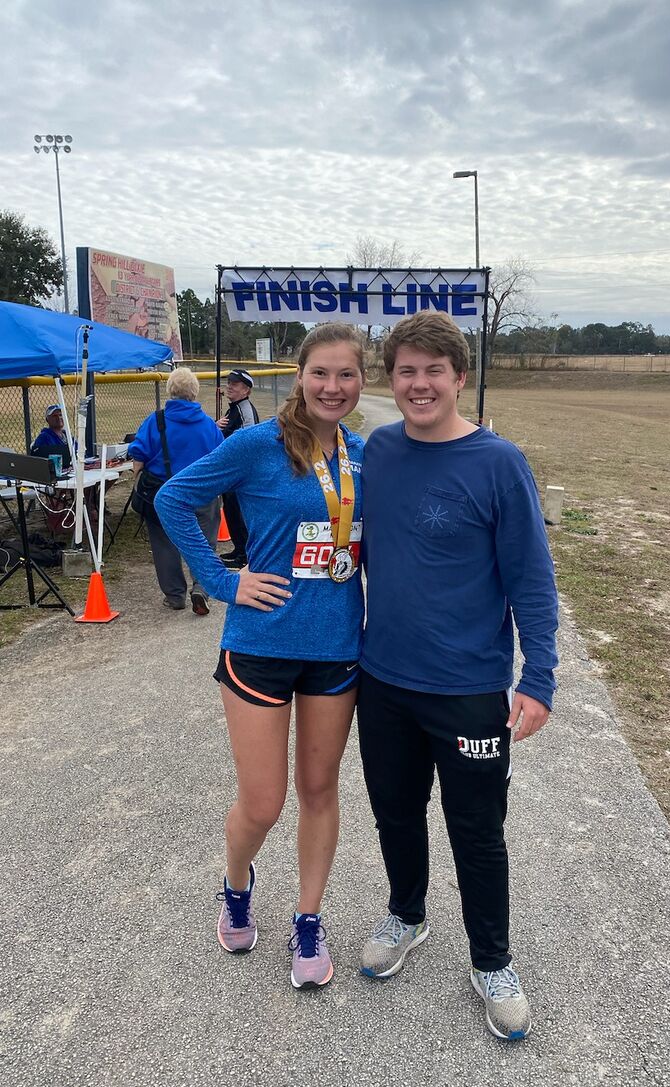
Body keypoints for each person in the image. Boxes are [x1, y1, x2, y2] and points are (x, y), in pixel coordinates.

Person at [357, 311, 559, 1041]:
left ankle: (492, 961)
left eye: (432, 371)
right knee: (395, 813)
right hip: (382, 680)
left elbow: (532, 577)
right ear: (392, 379)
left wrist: (539, 676)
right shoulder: (376, 451)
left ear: (459, 378)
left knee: (478, 831)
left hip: (470, 689)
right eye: (405, 370)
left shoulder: (498, 462)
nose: (418, 384)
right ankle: (407, 914)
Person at [155, 323, 366, 990]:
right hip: (261, 644)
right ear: (300, 376)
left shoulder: (364, 453)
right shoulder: (256, 444)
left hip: (336, 649)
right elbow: (173, 499)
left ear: (362, 382)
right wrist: (223, 581)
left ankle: (308, 920)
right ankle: (237, 884)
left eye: (347, 375)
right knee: (264, 801)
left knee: (319, 790)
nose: (333, 387)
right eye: (321, 373)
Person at [129, 367, 223, 614]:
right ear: (194, 392)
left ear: (170, 390)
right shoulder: (208, 425)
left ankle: (175, 596)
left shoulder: (155, 421)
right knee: (204, 542)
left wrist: (136, 477)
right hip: (203, 493)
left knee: (164, 544)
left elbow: (138, 455)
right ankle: (202, 587)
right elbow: (221, 458)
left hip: (164, 493)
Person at [216, 368, 259, 568]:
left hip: (240, 473)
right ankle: (239, 549)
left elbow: (249, 440)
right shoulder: (233, 408)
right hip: (230, 472)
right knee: (231, 511)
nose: (229, 387)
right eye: (229, 383)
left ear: (246, 390)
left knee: (238, 512)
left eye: (235, 384)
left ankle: (245, 555)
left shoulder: (244, 409)